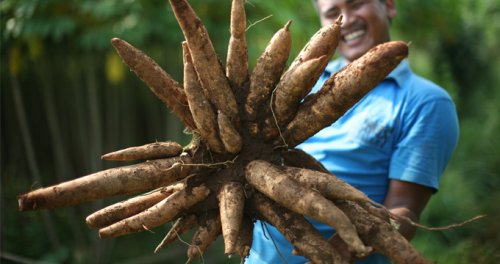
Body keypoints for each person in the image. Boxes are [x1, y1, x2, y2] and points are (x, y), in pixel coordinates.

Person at [246, 0, 459, 263]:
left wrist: (377, 229)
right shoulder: (301, 81)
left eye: (357, 4)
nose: (345, 19)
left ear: (389, 5)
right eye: (332, 13)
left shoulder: (426, 102)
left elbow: (406, 209)